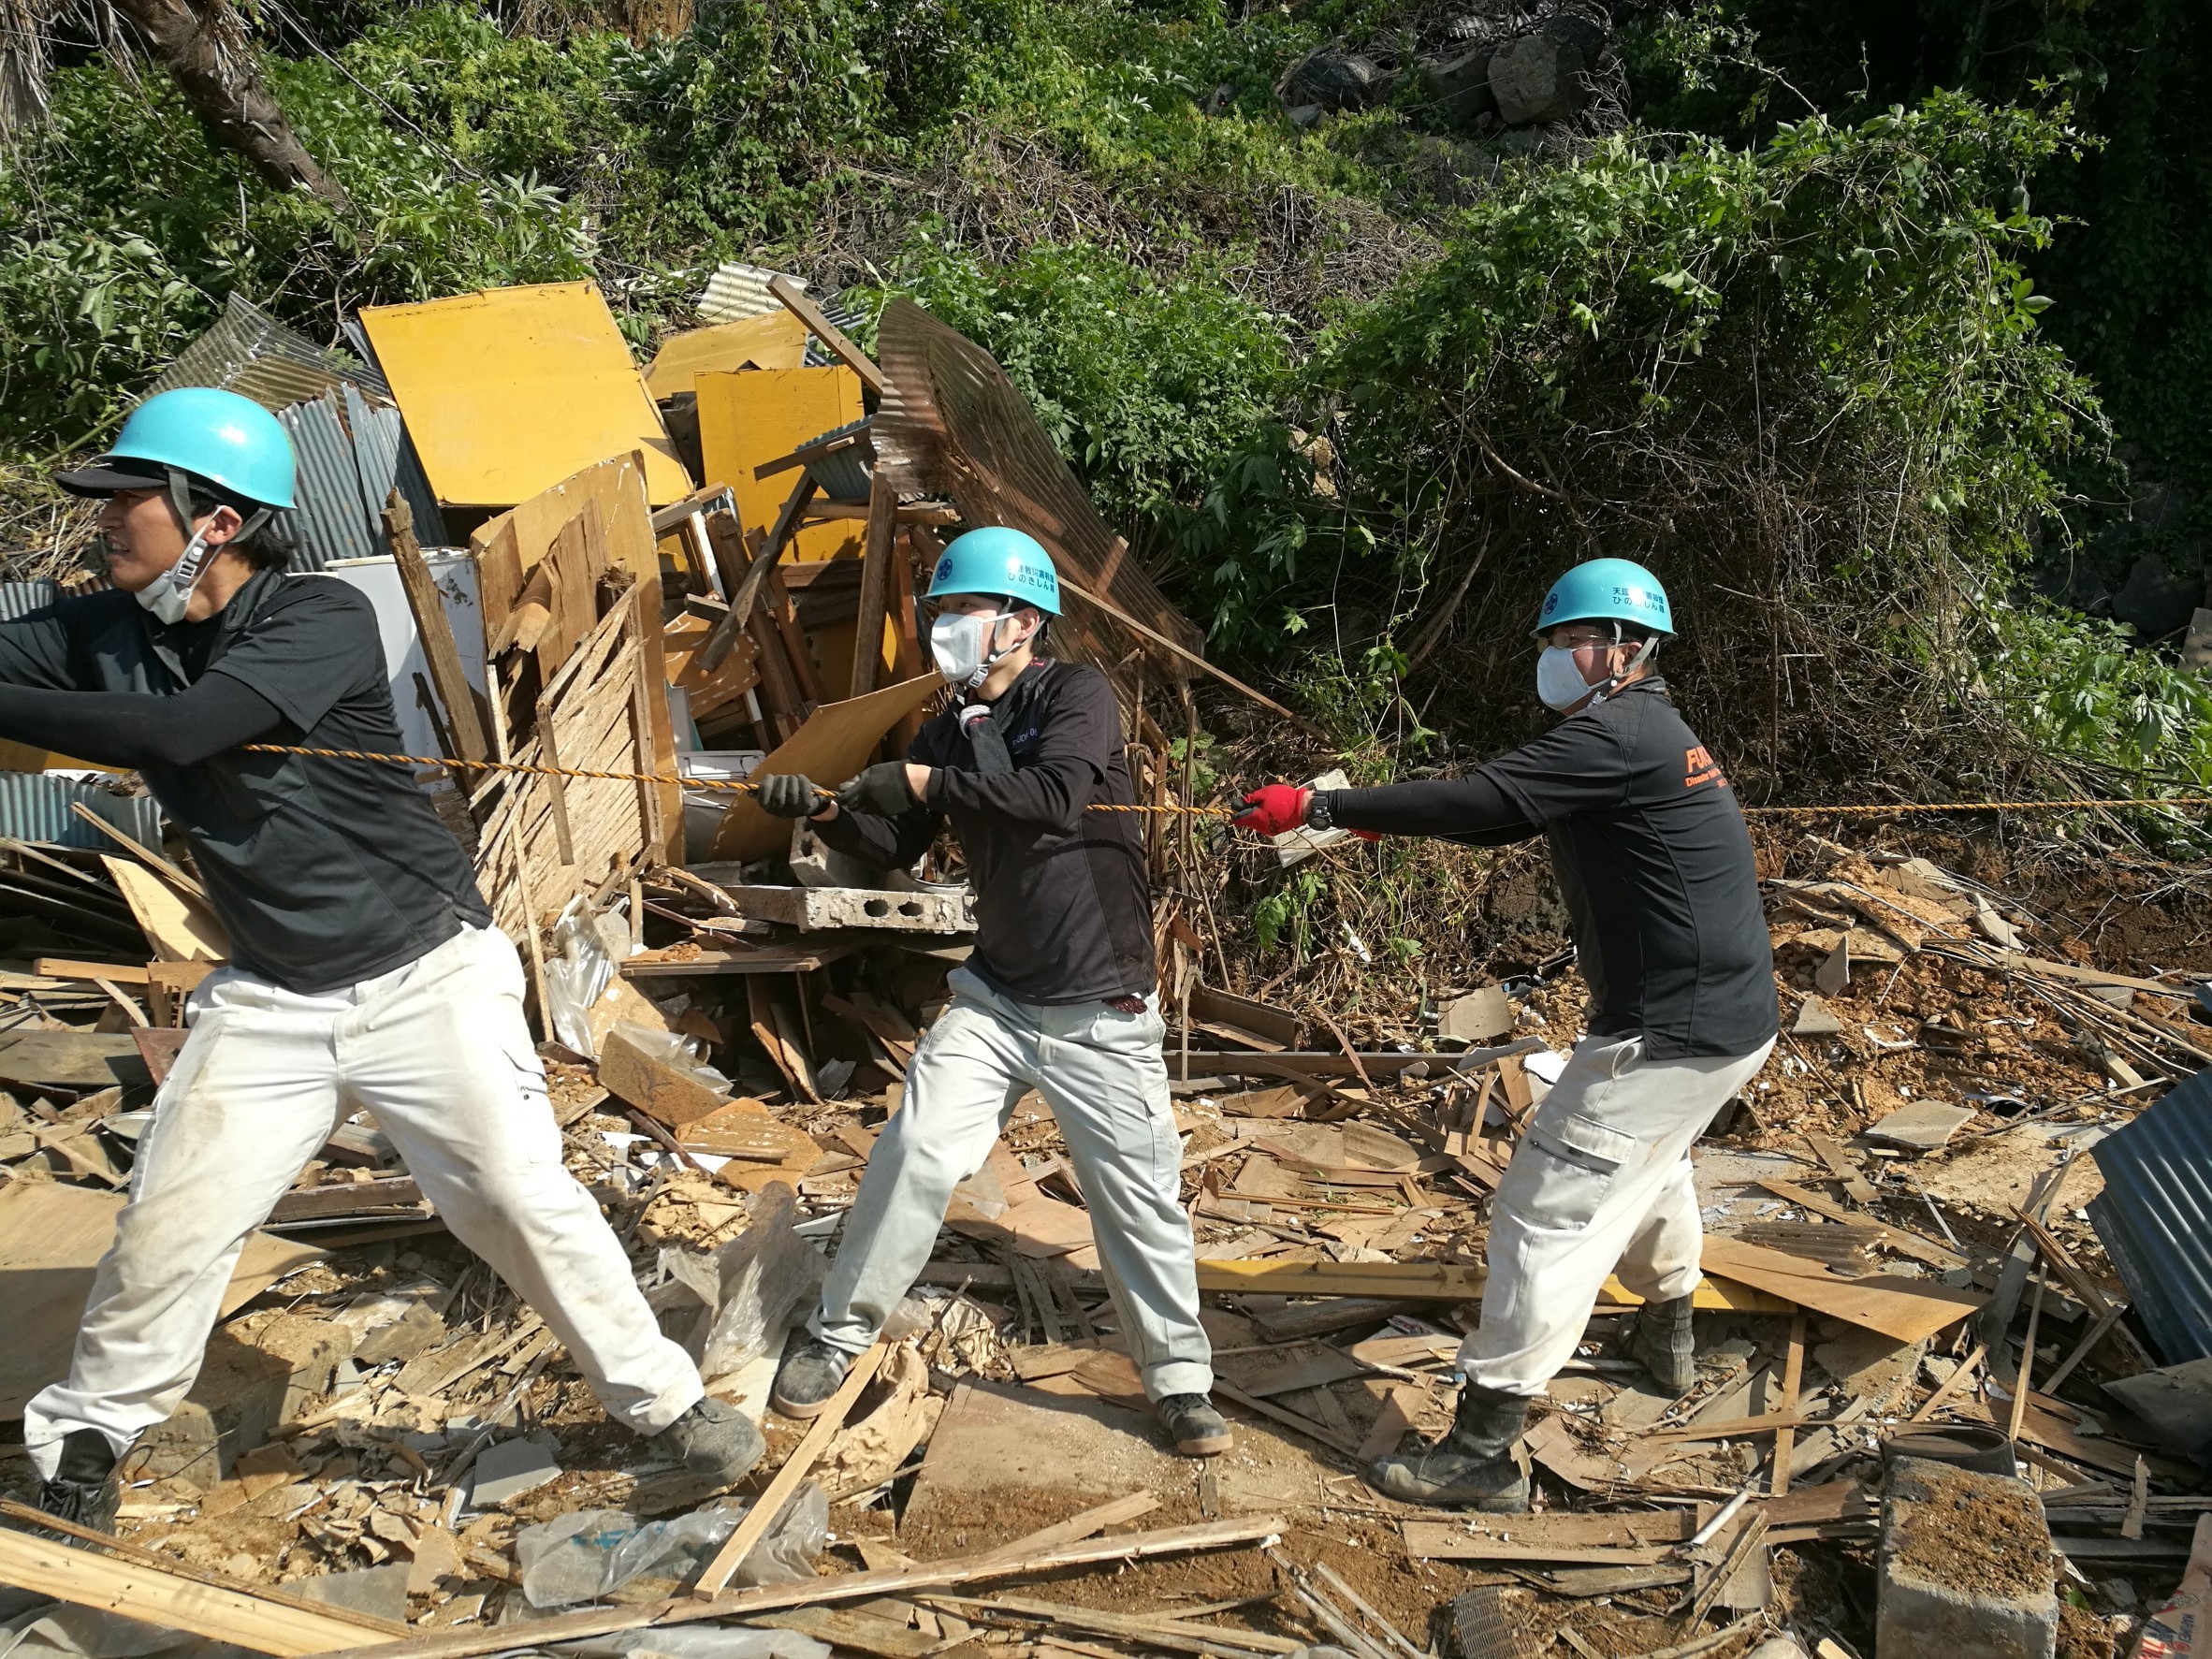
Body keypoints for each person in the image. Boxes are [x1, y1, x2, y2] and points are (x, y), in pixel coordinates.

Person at [5, 387, 763, 1531]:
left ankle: (667, 1406)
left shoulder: (316, 617)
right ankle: (84, 1448)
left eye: (128, 499)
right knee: (169, 1224)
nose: (105, 519)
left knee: (513, 1198)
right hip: (272, 995)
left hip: (426, 974)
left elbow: (182, 732)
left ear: (215, 520)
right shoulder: (97, 632)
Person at [1232, 558, 1778, 1511]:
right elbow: (1501, 819)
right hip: (1725, 1022)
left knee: (1544, 1212)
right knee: (1653, 1170)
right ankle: (1669, 1336)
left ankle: (1483, 1448)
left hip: (1670, 1032)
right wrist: (1371, 824)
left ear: (1626, 649)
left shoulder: (1617, 733)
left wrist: (1322, 806)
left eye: (1572, 640)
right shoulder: (1646, 731)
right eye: (1553, 640)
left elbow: (1484, 799)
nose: (1555, 656)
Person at [751, 527, 1230, 1457]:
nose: (946, 627)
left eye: (962, 610)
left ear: (1021, 621)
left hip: (1101, 1006)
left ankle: (1179, 1382)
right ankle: (837, 1335)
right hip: (997, 998)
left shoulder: (1076, 697)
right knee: (915, 1149)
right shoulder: (947, 729)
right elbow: (891, 846)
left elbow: (1052, 799)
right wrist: (826, 810)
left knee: (1138, 1204)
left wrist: (920, 779)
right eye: (942, 612)